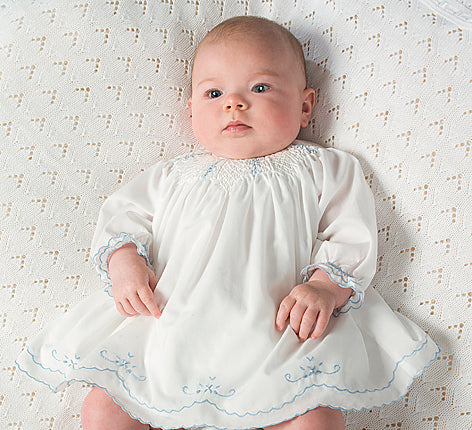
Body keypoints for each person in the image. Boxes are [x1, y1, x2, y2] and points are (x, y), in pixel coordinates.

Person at [16, 16, 439, 430]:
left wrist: (325, 287)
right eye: (214, 92)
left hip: (280, 341)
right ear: (192, 111)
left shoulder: (323, 168)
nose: (234, 103)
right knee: (103, 409)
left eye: (259, 87)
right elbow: (122, 216)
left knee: (317, 417)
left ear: (305, 105)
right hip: (167, 333)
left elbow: (353, 233)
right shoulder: (172, 175)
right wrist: (124, 260)